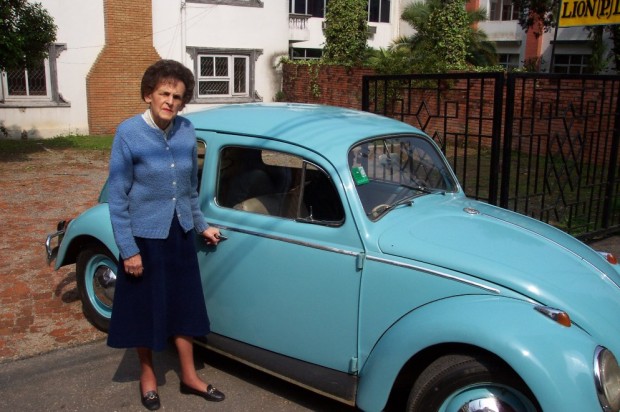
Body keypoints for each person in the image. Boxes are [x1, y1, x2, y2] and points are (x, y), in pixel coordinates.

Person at [106, 59, 225, 410]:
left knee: (184, 305)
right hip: (143, 238)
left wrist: (202, 225)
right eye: (164, 93)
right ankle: (148, 376)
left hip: (179, 234)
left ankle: (189, 376)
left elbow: (190, 190)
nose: (170, 101)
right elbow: (117, 197)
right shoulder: (128, 133)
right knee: (146, 309)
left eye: (178, 96)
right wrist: (128, 249)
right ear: (149, 94)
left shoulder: (187, 130)